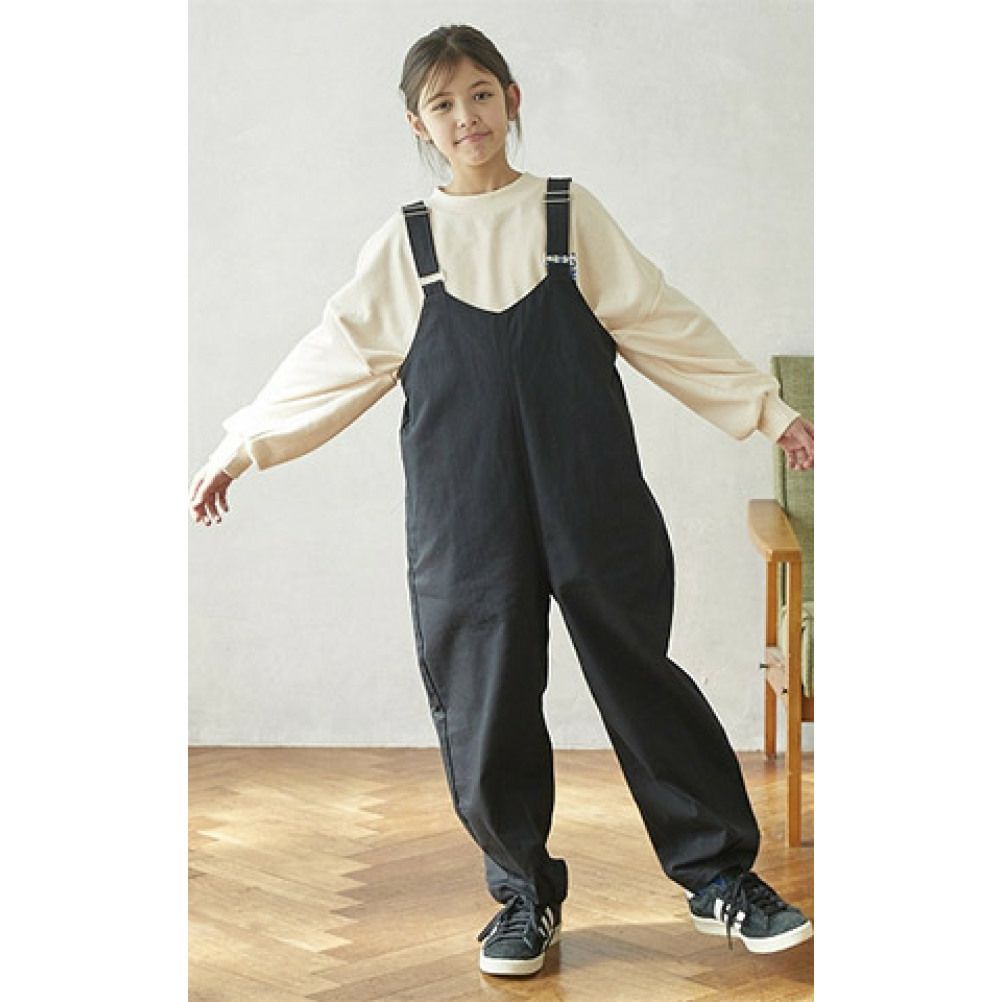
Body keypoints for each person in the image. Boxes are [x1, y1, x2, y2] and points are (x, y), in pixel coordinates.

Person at [189, 23, 815, 977]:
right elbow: (336, 357)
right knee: (484, 696)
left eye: (481, 94)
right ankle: (524, 896)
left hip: (591, 495)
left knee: (639, 676)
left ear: (512, 99)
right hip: (464, 513)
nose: (466, 116)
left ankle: (722, 879)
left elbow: (661, 320)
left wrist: (770, 412)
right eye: (442, 104)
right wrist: (241, 448)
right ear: (419, 125)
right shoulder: (407, 244)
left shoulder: (568, 215)